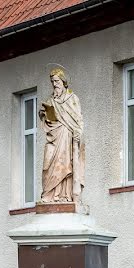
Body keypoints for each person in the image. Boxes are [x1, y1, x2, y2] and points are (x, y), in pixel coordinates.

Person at [39, 67, 85, 204]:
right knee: (48, 166)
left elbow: (78, 118)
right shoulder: (51, 100)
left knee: (66, 164)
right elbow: (49, 120)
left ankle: (65, 195)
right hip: (54, 137)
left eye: (57, 81)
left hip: (67, 136)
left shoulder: (72, 98)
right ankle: (51, 195)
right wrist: (44, 113)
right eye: (52, 81)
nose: (54, 84)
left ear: (63, 81)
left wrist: (78, 132)